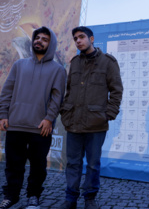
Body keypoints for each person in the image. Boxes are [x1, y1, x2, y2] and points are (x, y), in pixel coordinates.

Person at [0, 27, 66, 209]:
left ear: (50, 44)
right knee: (13, 165)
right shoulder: (19, 65)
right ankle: (11, 196)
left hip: (40, 127)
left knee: (38, 167)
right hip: (15, 125)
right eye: (37, 38)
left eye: (45, 39)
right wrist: (3, 115)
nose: (39, 41)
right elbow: (6, 92)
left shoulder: (57, 69)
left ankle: (33, 196)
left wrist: (49, 118)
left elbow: (57, 97)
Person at [59, 26, 123, 209]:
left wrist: (108, 114)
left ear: (92, 39)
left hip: (96, 124)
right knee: (72, 163)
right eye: (75, 38)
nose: (78, 41)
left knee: (93, 164)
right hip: (73, 123)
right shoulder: (75, 62)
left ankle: (90, 198)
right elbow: (69, 90)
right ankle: (70, 198)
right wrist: (65, 110)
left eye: (81, 37)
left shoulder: (108, 62)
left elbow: (117, 91)